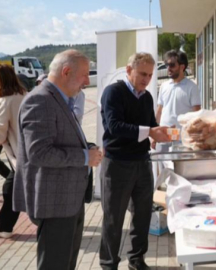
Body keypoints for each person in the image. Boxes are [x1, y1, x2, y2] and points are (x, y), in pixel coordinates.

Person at [13, 49, 103, 270]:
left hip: (68, 201)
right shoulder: (40, 100)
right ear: (66, 71)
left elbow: (62, 139)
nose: (87, 80)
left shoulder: (59, 98)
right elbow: (39, 153)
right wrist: (84, 156)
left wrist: (87, 147)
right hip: (54, 203)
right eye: (84, 74)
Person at [99, 52, 170, 270]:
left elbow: (149, 124)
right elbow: (114, 127)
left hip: (142, 163)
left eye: (150, 75)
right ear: (128, 70)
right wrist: (150, 131)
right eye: (142, 74)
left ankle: (137, 260)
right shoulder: (113, 92)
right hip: (117, 164)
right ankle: (109, 264)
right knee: (114, 218)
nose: (146, 79)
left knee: (142, 216)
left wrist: (157, 135)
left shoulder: (147, 97)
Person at [0, 64, 26, 238]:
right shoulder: (25, 94)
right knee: (13, 187)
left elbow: (0, 130)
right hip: (29, 150)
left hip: (19, 153)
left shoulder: (6, 100)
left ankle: (5, 227)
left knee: (11, 189)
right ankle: (5, 226)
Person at [156, 50, 201, 128]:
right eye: (167, 65)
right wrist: (155, 134)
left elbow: (196, 114)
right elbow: (159, 111)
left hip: (182, 138)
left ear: (182, 67)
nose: (168, 68)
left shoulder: (192, 87)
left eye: (172, 65)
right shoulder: (163, 86)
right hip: (164, 138)